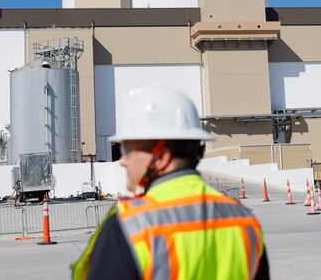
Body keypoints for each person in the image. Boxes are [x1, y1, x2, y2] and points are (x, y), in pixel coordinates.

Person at [72, 86, 269, 280]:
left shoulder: (132, 225)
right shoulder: (243, 220)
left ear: (162, 157)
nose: (123, 161)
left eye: (128, 151)